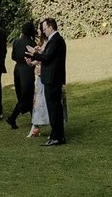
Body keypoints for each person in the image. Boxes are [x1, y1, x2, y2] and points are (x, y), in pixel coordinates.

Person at [32, 17, 67, 147]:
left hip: (52, 79)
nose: (44, 31)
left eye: (45, 28)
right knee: (54, 108)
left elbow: (47, 58)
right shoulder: (55, 40)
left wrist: (35, 53)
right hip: (52, 78)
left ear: (51, 27)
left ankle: (57, 136)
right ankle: (56, 135)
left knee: (54, 108)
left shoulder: (55, 40)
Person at [6, 19, 37, 131]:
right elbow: (35, 57)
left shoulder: (16, 41)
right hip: (27, 70)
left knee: (23, 94)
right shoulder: (32, 43)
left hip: (17, 69)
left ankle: (34, 118)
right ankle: (12, 117)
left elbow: (13, 57)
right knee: (27, 95)